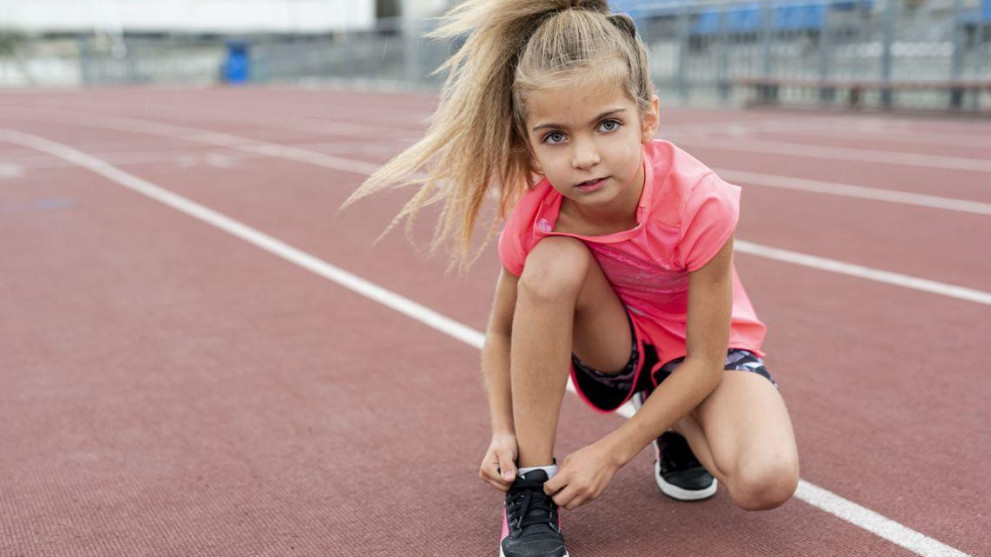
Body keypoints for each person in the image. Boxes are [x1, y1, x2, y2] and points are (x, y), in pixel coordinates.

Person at [342, 1, 800, 556]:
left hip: (699, 355)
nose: (585, 157)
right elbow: (503, 334)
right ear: (530, 144)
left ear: (648, 119)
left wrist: (612, 451)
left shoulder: (702, 202)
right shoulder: (537, 218)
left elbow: (705, 362)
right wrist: (503, 433)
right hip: (613, 351)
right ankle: (532, 487)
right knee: (555, 261)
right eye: (556, 136)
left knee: (765, 481)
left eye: (608, 125)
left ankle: (671, 425)